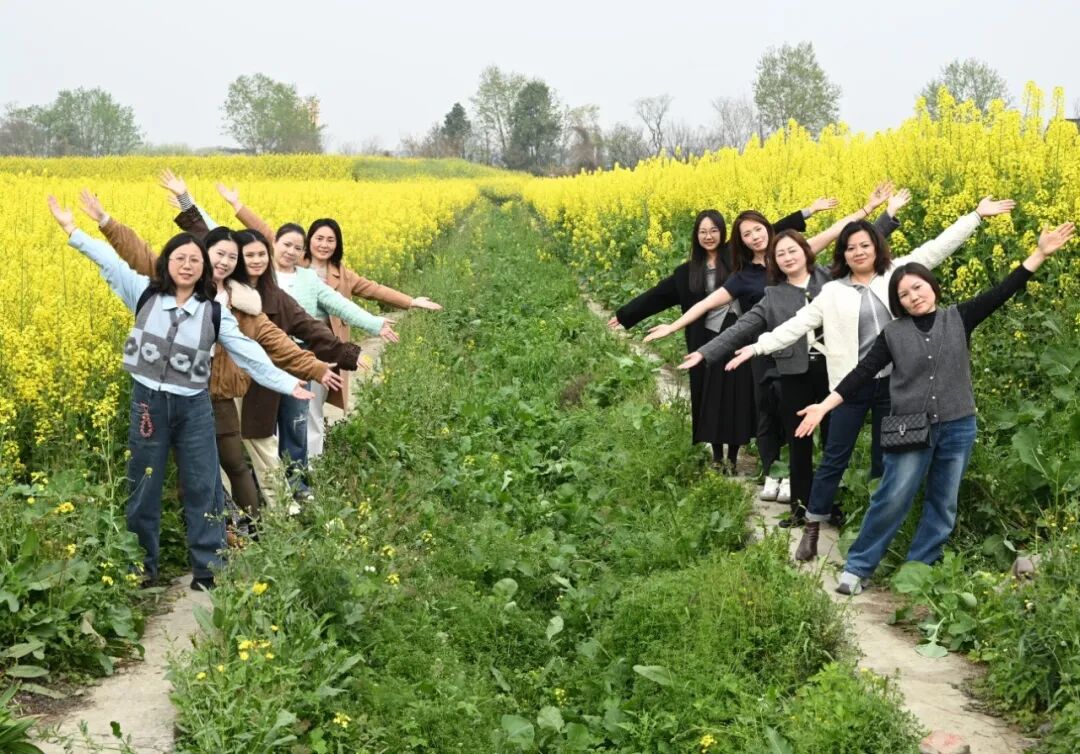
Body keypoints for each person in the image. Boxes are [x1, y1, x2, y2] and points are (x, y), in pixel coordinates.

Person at [46, 196, 314, 590]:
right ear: (167, 264)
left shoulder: (214, 312)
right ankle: (143, 567)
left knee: (204, 484)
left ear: (204, 268)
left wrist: (287, 382)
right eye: (179, 259)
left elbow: (249, 353)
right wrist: (73, 230)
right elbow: (109, 261)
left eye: (194, 260)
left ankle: (208, 568)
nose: (187, 265)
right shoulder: (143, 293)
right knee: (144, 484)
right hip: (148, 404)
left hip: (194, 405)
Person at [793, 222, 1074, 594]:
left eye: (918, 288)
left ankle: (919, 570)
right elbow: (860, 373)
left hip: (959, 425)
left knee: (943, 502)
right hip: (909, 428)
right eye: (904, 294)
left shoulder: (959, 317)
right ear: (898, 303)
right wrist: (824, 406)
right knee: (892, 496)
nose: (913, 297)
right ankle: (858, 567)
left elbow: (1003, 291)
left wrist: (1039, 254)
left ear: (932, 287)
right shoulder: (893, 334)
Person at [725, 196, 1017, 533]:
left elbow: (938, 248)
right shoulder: (832, 291)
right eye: (851, 248)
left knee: (886, 455)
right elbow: (797, 324)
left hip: (894, 385)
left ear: (877, 247)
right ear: (843, 254)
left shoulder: (895, 275)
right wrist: (757, 347)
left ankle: (877, 524)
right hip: (851, 385)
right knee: (835, 455)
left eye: (865, 245)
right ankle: (813, 522)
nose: (859, 252)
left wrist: (976, 215)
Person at [77, 190, 343, 526]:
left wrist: (314, 367)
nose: (225, 262)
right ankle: (212, 530)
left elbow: (275, 342)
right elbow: (137, 253)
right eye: (220, 255)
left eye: (232, 257)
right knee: (195, 470)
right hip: (175, 392)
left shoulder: (243, 301)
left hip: (218, 394)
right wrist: (106, 222)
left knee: (234, 462)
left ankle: (251, 529)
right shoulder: (179, 282)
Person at [644, 184, 900, 495]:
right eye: (747, 234)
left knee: (832, 435)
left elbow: (856, 248)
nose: (786, 256)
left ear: (803, 251)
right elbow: (734, 320)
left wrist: (882, 213)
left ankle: (828, 497)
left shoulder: (825, 276)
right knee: (776, 419)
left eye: (792, 251)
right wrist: (689, 339)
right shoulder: (760, 286)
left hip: (829, 364)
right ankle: (781, 480)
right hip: (776, 358)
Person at [158, 171, 364, 509]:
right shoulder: (215, 283)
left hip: (256, 383)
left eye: (260, 255)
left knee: (262, 444)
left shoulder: (268, 296)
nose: (254, 260)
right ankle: (229, 515)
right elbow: (207, 235)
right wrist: (185, 199)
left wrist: (345, 355)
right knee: (221, 454)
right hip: (217, 385)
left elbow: (302, 331)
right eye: (247, 255)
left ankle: (282, 509)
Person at [608, 199, 838, 472]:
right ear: (696, 235)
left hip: (741, 335)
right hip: (706, 338)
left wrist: (809, 211)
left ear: (724, 233)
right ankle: (718, 454)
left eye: (714, 230)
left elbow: (769, 230)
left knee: (740, 396)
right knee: (710, 396)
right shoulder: (686, 272)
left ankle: (740, 455)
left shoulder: (736, 258)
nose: (709, 236)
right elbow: (658, 295)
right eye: (703, 231)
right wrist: (626, 315)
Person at [215, 185, 441, 458]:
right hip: (261, 354)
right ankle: (271, 474)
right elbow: (244, 237)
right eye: (318, 239)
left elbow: (350, 301)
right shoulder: (264, 272)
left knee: (302, 417)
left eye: (329, 240)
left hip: (308, 350)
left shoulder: (314, 277)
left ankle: (304, 470)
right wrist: (235, 206)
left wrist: (394, 311)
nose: (322, 244)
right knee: (260, 424)